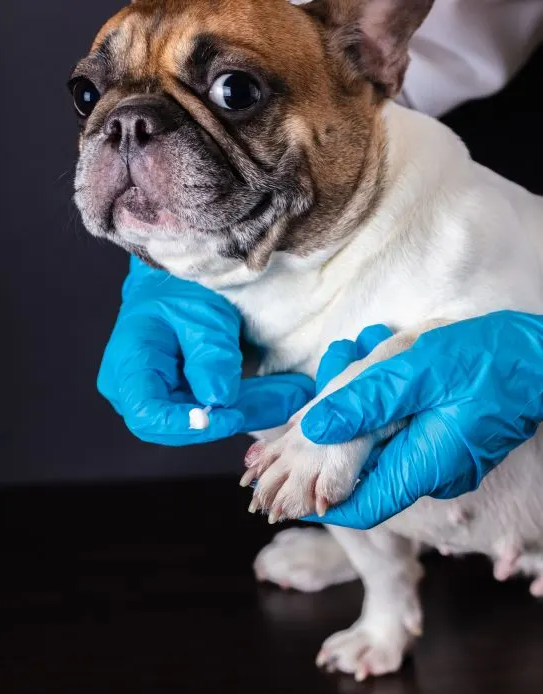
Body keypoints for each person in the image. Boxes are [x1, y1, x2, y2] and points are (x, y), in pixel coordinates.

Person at [98, 0, 543, 529]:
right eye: (90, 97)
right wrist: (172, 250)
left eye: (232, 91)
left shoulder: (464, 230)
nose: (129, 130)